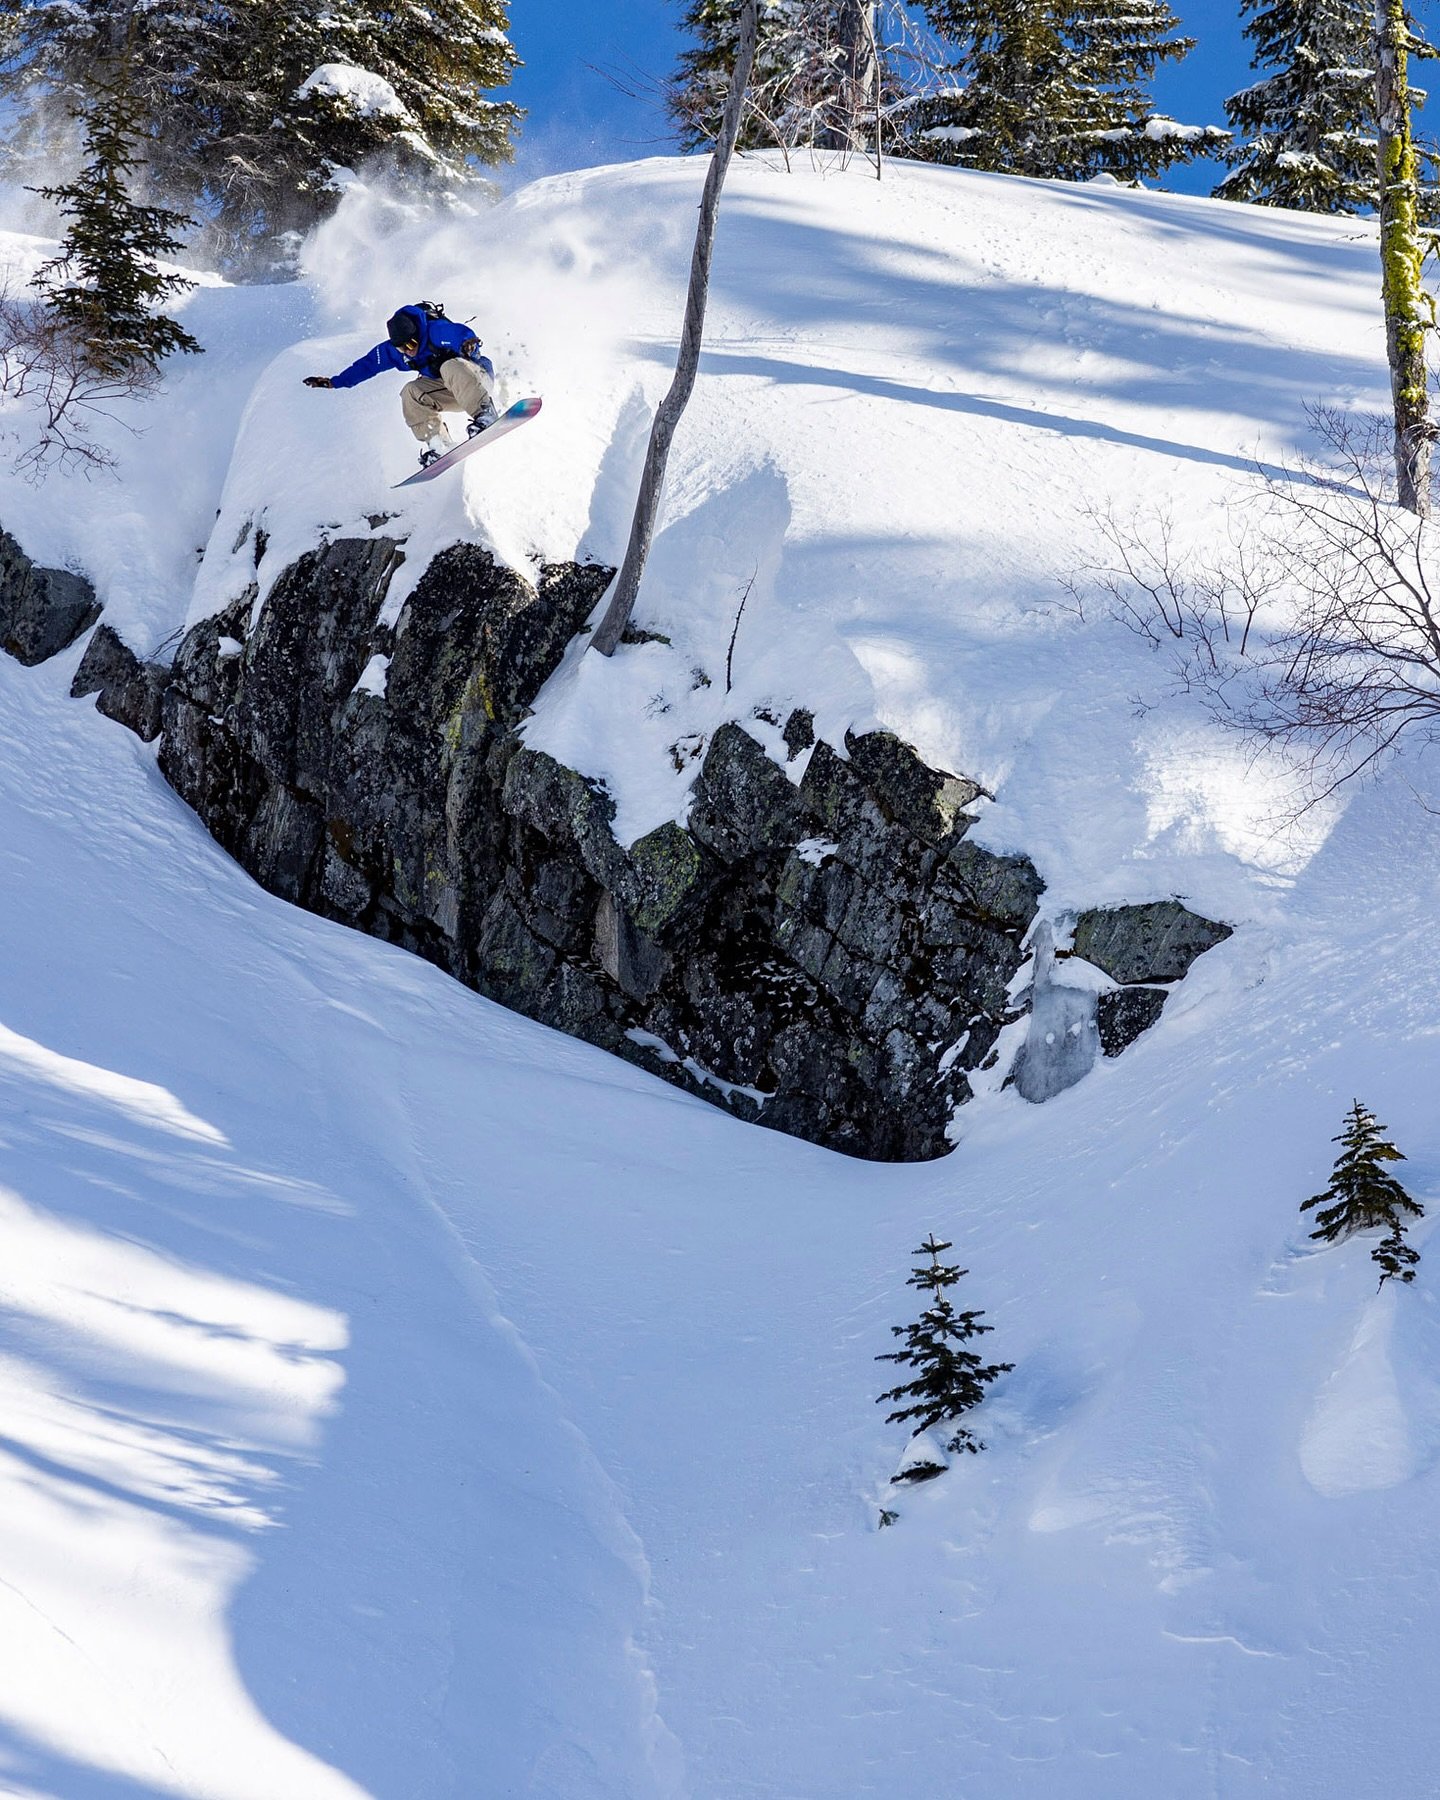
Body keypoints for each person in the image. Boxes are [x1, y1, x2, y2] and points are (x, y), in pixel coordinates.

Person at [303, 303, 498, 468]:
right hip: (451, 391)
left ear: (418, 335)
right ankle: (439, 444)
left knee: (448, 366)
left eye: (411, 345)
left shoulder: (436, 331)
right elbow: (367, 365)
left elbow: (462, 334)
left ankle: (485, 413)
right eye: (402, 348)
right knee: (410, 392)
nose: (407, 351)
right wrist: (334, 382)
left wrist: (468, 345)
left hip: (476, 380)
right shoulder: (396, 352)